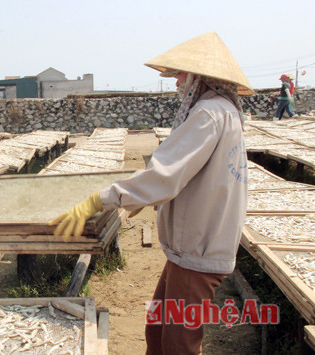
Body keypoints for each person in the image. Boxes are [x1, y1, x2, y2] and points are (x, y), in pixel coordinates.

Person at [49, 31, 252, 355]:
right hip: (191, 250)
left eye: (181, 74)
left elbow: (165, 174)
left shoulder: (208, 113)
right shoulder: (223, 110)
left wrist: (99, 199)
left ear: (201, 76)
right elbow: (185, 174)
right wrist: (149, 197)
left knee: (178, 345)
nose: (176, 83)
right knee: (157, 330)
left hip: (197, 253)